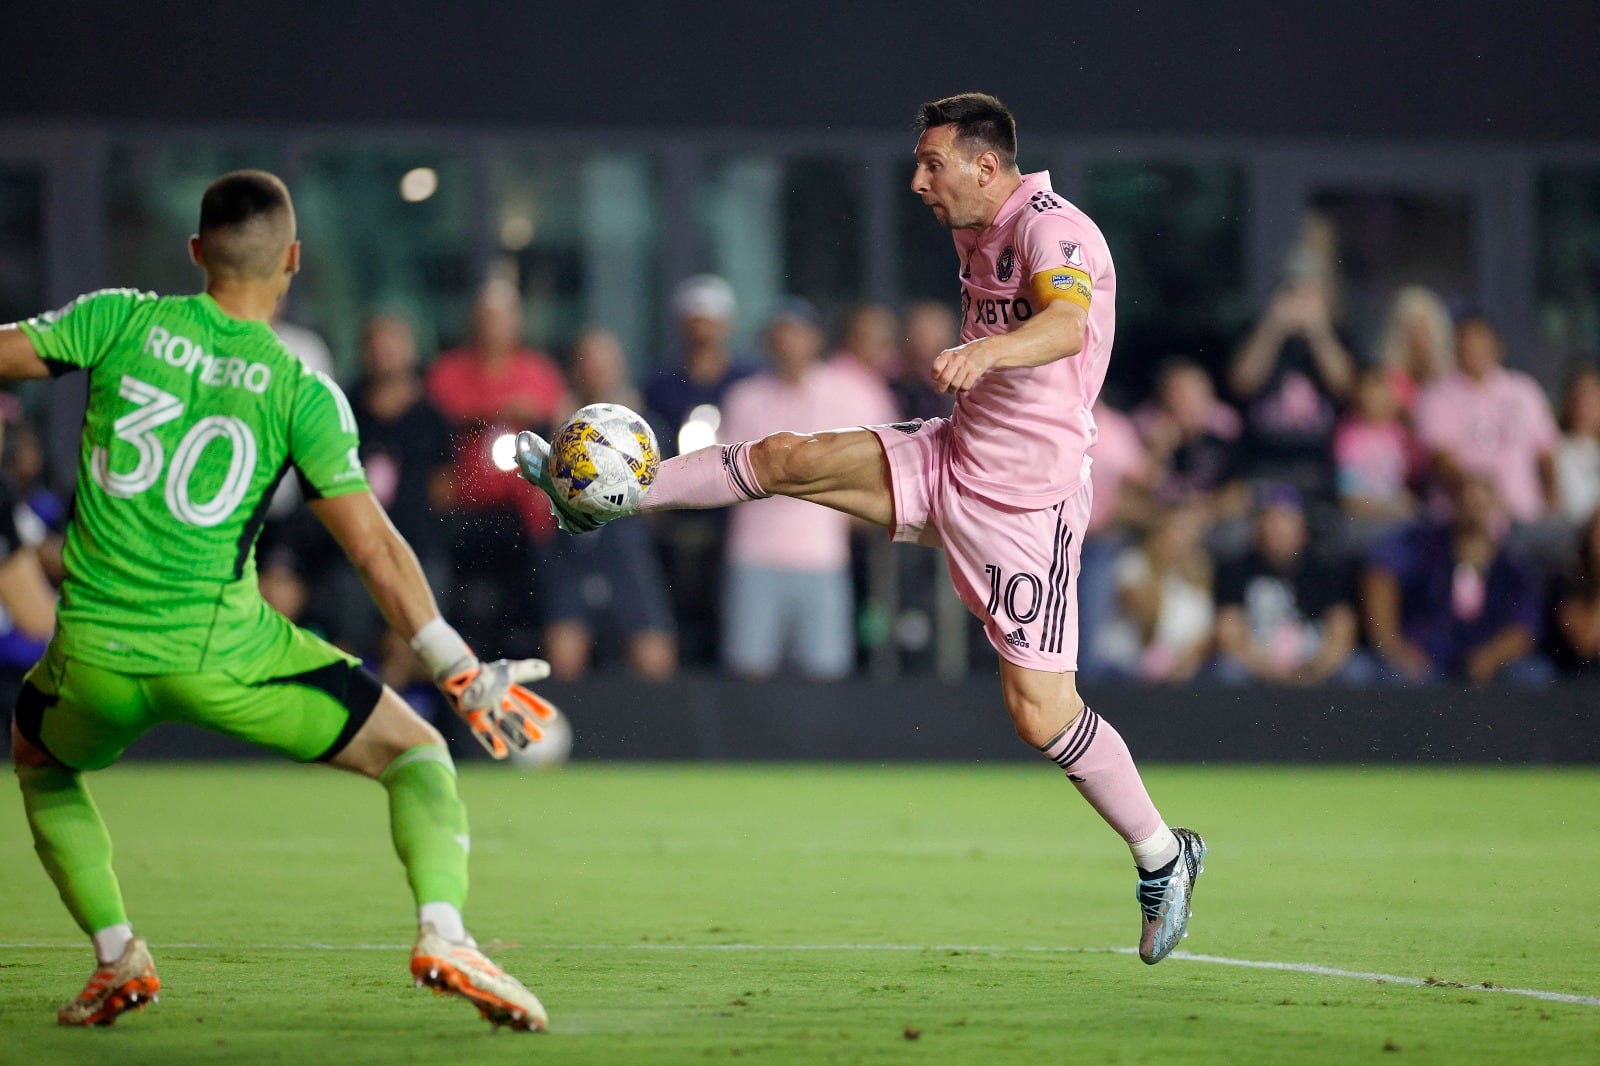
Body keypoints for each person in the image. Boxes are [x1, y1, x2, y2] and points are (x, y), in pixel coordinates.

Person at [518, 94, 1205, 963]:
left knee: (1040, 714)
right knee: (789, 458)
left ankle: (1162, 854)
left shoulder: (1054, 228)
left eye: (932, 164)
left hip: (1024, 507)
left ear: (986, 166)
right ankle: (607, 496)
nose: (918, 182)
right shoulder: (975, 225)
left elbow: (1068, 322)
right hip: (952, 456)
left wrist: (987, 352)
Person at [0, 171, 553, 1031]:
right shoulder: (301, 389)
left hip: (95, 656)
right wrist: (452, 664)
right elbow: (371, 546)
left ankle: (117, 954)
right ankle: (444, 932)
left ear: (195, 253)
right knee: (416, 756)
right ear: (292, 260)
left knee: (40, 760)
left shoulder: (118, 319)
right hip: (227, 655)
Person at [718, 299, 898, 680]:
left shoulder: (852, 392)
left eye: (798, 332)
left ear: (816, 339)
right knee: (748, 671)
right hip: (754, 552)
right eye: (781, 332)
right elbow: (725, 473)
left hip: (822, 556)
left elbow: (892, 458)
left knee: (825, 673)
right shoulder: (744, 397)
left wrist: (862, 509)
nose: (789, 342)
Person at [541, 327, 677, 681]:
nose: (596, 373)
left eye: (604, 364)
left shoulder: (644, 429)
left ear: (619, 368)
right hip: (570, 553)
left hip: (626, 553)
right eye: (588, 363)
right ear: (574, 370)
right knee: (563, 657)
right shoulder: (553, 425)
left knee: (653, 659)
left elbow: (664, 500)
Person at [1362, 474, 1553, 687]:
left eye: (1480, 503)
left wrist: (1492, 656)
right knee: (1387, 675)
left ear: (1497, 506)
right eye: (1466, 501)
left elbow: (1525, 626)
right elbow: (1381, 574)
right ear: (1453, 504)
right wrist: (1391, 644)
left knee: (1534, 674)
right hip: (1421, 659)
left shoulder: (1513, 567)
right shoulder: (1419, 545)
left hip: (1486, 662)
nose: (1473, 511)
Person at [1227, 227, 1357, 502]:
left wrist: (1319, 332)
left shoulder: (1339, 336)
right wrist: (1272, 328)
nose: (1299, 298)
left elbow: (1345, 386)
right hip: (1262, 467)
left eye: (1307, 289)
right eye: (1292, 288)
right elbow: (1242, 382)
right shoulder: (1257, 333)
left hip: (1316, 469)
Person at [1211, 485, 1367, 686]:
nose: (1277, 529)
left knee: (1357, 670)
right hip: (1258, 665)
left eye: (1285, 520)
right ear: (1258, 527)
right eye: (1271, 520)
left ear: (1303, 529)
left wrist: (1315, 669)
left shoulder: (1326, 571)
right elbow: (1230, 634)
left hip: (1313, 666)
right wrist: (1267, 669)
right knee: (1229, 670)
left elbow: (1342, 628)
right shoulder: (1235, 571)